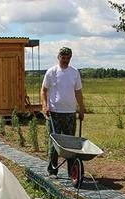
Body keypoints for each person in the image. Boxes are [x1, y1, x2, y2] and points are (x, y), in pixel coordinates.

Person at [41, 47, 86, 178]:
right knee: (54, 142)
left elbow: (78, 92)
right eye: (63, 58)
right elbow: (43, 90)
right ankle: (52, 170)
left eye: (68, 58)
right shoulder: (51, 72)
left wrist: (81, 108)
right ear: (58, 57)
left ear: (70, 58)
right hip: (54, 112)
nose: (65, 60)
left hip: (70, 112)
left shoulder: (74, 72)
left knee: (70, 144)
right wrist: (45, 105)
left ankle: (72, 172)